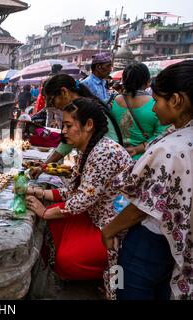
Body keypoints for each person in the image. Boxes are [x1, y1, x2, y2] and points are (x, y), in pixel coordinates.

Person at [102, 60, 193, 300]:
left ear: (176, 100)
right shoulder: (179, 136)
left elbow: (145, 206)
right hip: (177, 245)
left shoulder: (171, 148)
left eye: (157, 101)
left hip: (147, 244)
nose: (154, 109)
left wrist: (110, 229)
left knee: (124, 286)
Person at [26, 97, 133, 300]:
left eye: (68, 125)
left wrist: (45, 211)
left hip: (113, 228)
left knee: (67, 258)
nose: (63, 131)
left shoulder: (104, 153)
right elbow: (74, 189)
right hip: (96, 214)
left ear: (89, 125)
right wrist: (39, 193)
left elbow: (81, 200)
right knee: (55, 226)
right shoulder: (89, 149)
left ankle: (108, 278)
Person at [30, 74, 123, 171]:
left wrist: (43, 166)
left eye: (52, 100)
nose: (54, 105)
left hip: (106, 162)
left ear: (64, 92)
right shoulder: (77, 108)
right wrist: (43, 167)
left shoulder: (86, 109)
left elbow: (66, 144)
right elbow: (66, 143)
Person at [111, 63, 168, 160]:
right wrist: (136, 149)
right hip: (143, 160)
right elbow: (161, 135)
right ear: (147, 82)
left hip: (116, 157)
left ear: (124, 81)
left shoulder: (115, 101)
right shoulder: (155, 103)